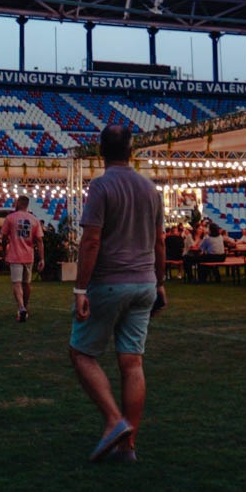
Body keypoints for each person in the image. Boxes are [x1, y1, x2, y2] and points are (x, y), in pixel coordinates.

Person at [69, 125, 166, 463]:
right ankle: (128, 447)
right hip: (145, 283)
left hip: (110, 281)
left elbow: (92, 240)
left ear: (100, 152)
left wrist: (81, 288)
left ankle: (114, 420)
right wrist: (161, 283)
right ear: (131, 151)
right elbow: (159, 242)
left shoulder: (101, 186)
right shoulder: (151, 189)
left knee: (81, 353)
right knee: (133, 362)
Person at [4, 195, 43, 321]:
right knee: (26, 284)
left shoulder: (10, 218)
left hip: (15, 255)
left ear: (19, 203)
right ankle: (24, 308)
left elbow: (3, 236)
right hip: (29, 255)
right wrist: (42, 258)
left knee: (17, 283)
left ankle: (21, 307)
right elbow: (39, 240)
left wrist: (3, 249)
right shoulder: (34, 219)